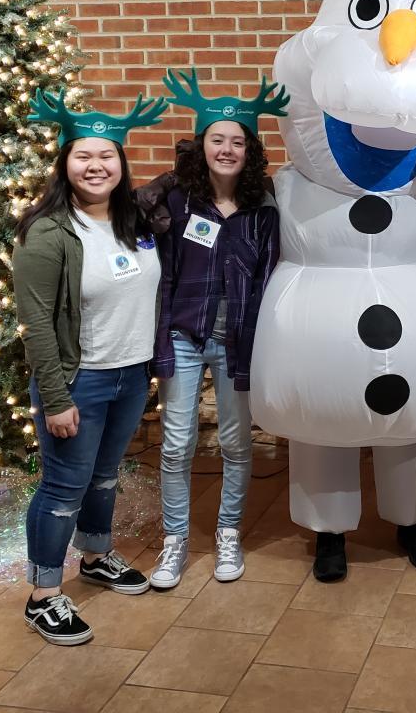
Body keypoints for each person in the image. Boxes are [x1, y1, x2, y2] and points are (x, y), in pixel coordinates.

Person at [13, 90, 169, 646]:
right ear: (64, 163)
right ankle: (43, 596)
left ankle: (97, 556)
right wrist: (56, 399)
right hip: (81, 381)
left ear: (121, 163)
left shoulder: (135, 220)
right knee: (63, 488)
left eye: (107, 155)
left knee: (105, 476)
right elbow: (35, 322)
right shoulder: (48, 232)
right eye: (83, 155)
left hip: (131, 375)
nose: (96, 165)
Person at [147, 69, 285, 588]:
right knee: (176, 443)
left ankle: (228, 533)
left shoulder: (263, 209)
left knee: (235, 441)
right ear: (201, 144)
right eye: (217, 139)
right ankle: (174, 541)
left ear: (250, 150)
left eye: (237, 142)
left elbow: (268, 276)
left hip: (237, 341)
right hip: (184, 335)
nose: (226, 150)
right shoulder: (176, 201)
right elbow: (162, 271)